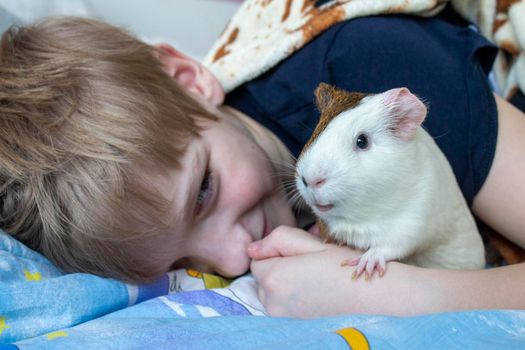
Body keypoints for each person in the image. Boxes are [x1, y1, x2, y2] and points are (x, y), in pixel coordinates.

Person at [0, 9, 524, 318]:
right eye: (179, 266)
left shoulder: (374, 70)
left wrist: (404, 295)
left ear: (190, 83)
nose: (233, 260)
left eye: (203, 191)